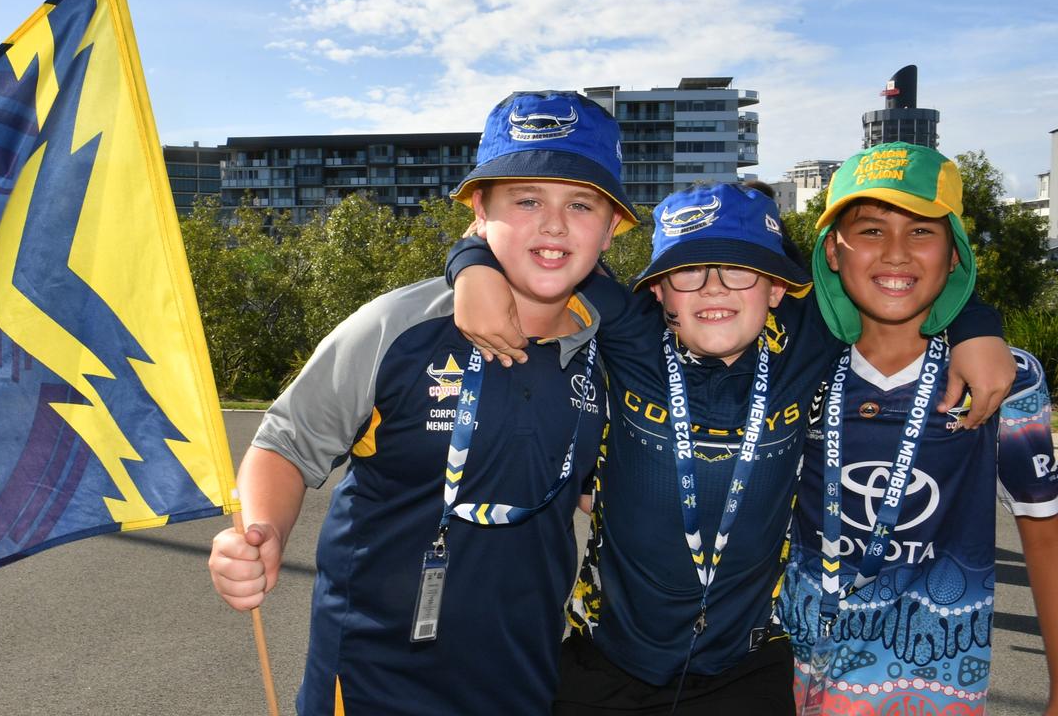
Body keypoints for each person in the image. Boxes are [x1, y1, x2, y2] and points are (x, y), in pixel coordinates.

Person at [446, 181, 1017, 714]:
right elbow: (528, 252)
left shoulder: (810, 338)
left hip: (745, 669)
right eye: (689, 272)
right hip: (605, 662)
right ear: (657, 291)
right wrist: (469, 267)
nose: (714, 287)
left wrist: (973, 320)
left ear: (777, 289)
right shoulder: (632, 333)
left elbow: (894, 278)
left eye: (741, 272)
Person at [208, 90, 638, 714]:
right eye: (525, 199)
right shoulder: (397, 325)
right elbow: (286, 441)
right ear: (478, 210)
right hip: (372, 675)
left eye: (581, 204)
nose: (553, 224)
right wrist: (261, 531)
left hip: (525, 675)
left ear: (612, 227)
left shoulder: (614, 352)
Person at [776, 141, 1058, 714]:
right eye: (871, 231)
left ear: (956, 255)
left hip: (935, 690)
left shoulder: (1008, 379)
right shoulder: (792, 366)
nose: (897, 254)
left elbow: (1045, 534)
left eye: (923, 232)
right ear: (833, 250)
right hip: (783, 677)